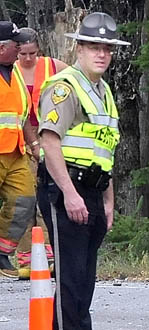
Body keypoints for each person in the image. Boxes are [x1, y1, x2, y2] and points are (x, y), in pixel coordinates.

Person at [37, 12, 129, 330]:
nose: (101, 54)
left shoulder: (103, 91)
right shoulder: (64, 87)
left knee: (85, 278)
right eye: (94, 46)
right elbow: (50, 140)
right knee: (71, 277)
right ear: (79, 47)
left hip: (92, 189)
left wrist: (107, 200)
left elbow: (103, 150)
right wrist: (70, 193)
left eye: (107, 48)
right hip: (66, 189)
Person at [14, 27, 67, 279]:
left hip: (50, 135)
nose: (27, 58)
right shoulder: (9, 71)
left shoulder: (53, 66)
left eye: (32, 53)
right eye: (22, 53)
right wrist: (31, 143)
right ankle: (25, 257)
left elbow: (76, 83)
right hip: (19, 139)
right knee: (24, 198)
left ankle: (49, 254)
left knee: (48, 196)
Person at [0, 21, 37, 278]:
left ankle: (1, 253)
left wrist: (34, 144)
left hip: (16, 152)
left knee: (25, 199)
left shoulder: (15, 75)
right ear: (2, 48)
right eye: (16, 45)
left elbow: (21, 117)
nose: (20, 49)